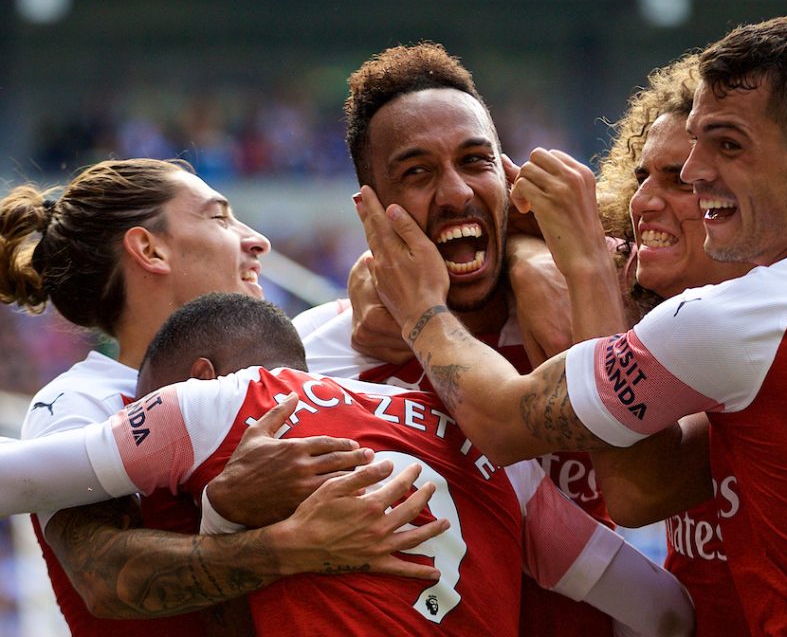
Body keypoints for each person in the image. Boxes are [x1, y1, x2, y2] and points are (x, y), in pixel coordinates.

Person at [358, 17, 787, 634]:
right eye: (648, 173)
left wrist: (423, 307)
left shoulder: (733, 323)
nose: (695, 173)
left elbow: (608, 472)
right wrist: (532, 259)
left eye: (726, 146)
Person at [0, 292, 696, 637]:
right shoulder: (481, 440)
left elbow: (17, 480)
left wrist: (235, 526)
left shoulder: (213, 405)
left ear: (198, 375)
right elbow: (664, 611)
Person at [0, 158, 443, 635]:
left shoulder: (287, 354)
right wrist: (290, 544)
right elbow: (103, 579)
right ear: (150, 249)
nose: (258, 240)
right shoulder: (78, 400)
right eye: (219, 217)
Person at [290, 42, 621, 637]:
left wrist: (537, 259)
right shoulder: (322, 360)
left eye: (475, 161)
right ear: (369, 207)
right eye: (416, 172)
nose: (456, 194)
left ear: (508, 175)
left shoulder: (592, 304)